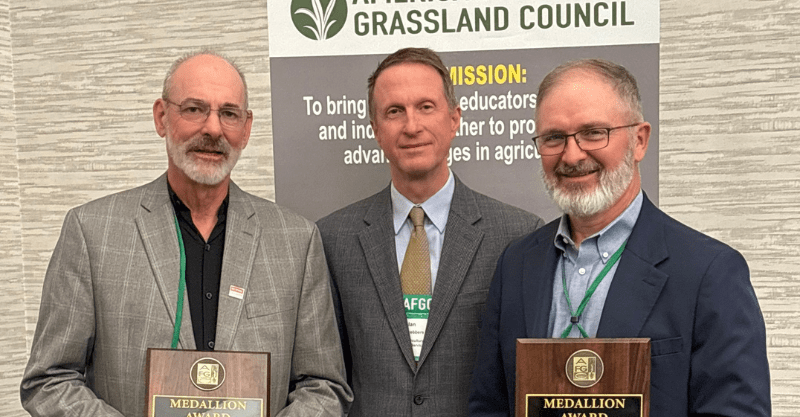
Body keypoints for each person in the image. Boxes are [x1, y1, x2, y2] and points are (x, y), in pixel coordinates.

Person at [20, 51, 352, 417]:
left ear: (246, 128)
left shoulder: (296, 241)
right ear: (162, 117)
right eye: (194, 109)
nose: (212, 129)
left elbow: (324, 386)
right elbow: (49, 380)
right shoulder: (92, 232)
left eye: (228, 113)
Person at [468, 59, 770, 416]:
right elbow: (489, 406)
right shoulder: (516, 264)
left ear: (639, 140)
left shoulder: (710, 272)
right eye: (554, 138)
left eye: (594, 132)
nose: (572, 154)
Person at [317, 47, 543, 416]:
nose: (411, 126)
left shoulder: (516, 235)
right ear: (375, 130)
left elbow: (521, 376)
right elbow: (329, 376)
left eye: (426, 107)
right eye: (394, 111)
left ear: (454, 119)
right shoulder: (332, 238)